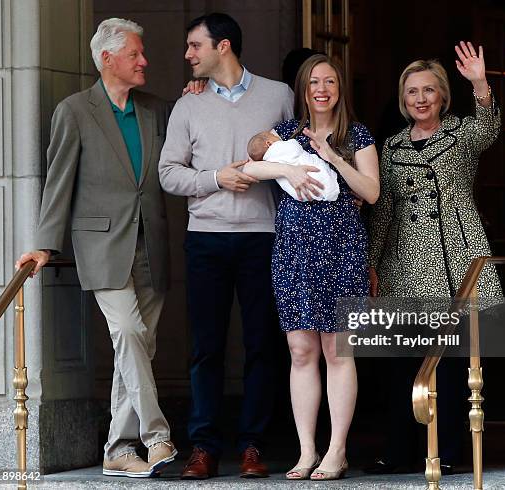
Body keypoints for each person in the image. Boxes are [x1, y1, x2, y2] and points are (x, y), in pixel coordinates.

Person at [14, 18, 176, 478]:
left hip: (153, 243)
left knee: (140, 345)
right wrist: (45, 244)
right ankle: (157, 436)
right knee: (127, 332)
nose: (144, 61)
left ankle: (117, 449)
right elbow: (58, 180)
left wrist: (196, 92)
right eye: (135, 55)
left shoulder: (152, 110)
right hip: (102, 244)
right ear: (107, 59)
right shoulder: (74, 110)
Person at [158, 13, 304, 480]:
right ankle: (203, 445)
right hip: (206, 240)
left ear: (222, 47)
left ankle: (254, 445)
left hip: (265, 238)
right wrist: (215, 178)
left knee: (262, 345)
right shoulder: (188, 106)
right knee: (206, 348)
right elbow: (168, 172)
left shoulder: (278, 96)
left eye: (194, 46)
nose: (187, 55)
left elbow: (301, 154)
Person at [366, 42, 503, 475]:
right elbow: (383, 207)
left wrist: (479, 83)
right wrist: (371, 261)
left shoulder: (461, 134)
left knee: (451, 362)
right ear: (403, 100)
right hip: (404, 262)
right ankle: (401, 451)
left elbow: (489, 129)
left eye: (428, 91)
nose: (420, 99)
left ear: (442, 95)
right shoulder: (390, 147)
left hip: (457, 259)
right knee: (403, 364)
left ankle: (450, 453)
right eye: (412, 92)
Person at [241, 53, 379, 480]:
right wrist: (287, 169)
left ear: (340, 89)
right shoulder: (284, 133)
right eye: (314, 82)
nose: (322, 89)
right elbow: (248, 164)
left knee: (338, 351)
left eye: (330, 82)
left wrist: (334, 159)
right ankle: (306, 451)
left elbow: (371, 192)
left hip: (342, 248)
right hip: (295, 252)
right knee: (301, 351)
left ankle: (336, 450)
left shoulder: (357, 134)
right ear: (303, 90)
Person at [247, 131, 340, 201]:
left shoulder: (267, 163)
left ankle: (326, 192)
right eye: (275, 137)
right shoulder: (278, 149)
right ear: (269, 143)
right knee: (317, 173)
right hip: (307, 179)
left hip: (299, 195)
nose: (279, 138)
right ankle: (330, 190)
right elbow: (295, 148)